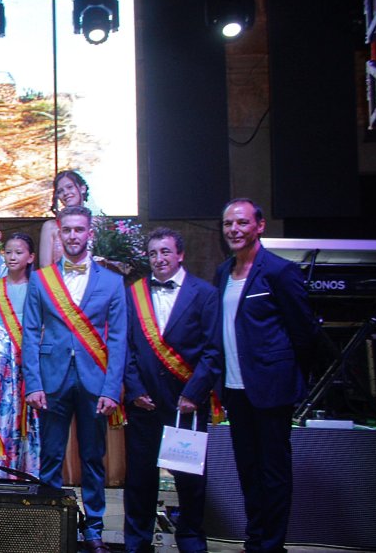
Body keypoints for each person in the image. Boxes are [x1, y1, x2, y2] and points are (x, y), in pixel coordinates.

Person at [23, 205, 128, 553]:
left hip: (95, 382)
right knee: (51, 457)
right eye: (66, 230)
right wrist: (33, 383)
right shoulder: (41, 280)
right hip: (50, 381)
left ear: (89, 234)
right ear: (59, 234)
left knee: (93, 459)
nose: (72, 236)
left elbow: (118, 340)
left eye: (79, 229)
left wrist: (112, 389)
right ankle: (50, 527)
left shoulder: (112, 282)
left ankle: (94, 530)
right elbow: (30, 333)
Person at [215, 199, 318, 553]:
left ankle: (272, 546)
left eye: (242, 222)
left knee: (273, 473)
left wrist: (290, 378)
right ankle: (255, 539)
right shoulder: (222, 272)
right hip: (235, 389)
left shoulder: (279, 271)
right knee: (248, 470)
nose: (234, 229)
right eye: (228, 223)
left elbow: (304, 333)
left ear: (259, 226)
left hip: (271, 390)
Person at [123, 227, 220, 553]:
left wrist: (194, 393)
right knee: (140, 480)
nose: (159, 259)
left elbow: (213, 350)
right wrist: (134, 389)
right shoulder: (134, 293)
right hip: (144, 403)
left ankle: (191, 540)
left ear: (180, 254)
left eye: (165, 251)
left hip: (185, 403)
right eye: (153, 253)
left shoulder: (205, 293)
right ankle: (137, 542)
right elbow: (126, 347)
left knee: (189, 480)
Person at [0, 232, 40, 476]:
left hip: (29, 353)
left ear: (31, 257)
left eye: (18, 252)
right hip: (0, 357)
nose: (12, 257)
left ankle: (28, 469)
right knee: (2, 408)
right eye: (8, 252)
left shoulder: (37, 286)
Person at [38, 170, 90, 268]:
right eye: (60, 191)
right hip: (58, 277)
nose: (65, 193)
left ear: (82, 188)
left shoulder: (98, 224)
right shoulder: (50, 227)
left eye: (69, 187)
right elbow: (45, 267)